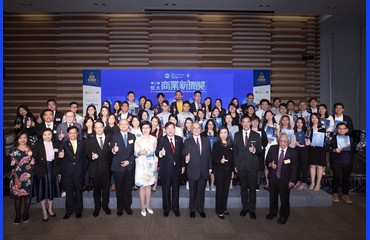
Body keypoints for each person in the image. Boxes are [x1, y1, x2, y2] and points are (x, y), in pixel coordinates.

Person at [265, 133, 298, 224]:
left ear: (288, 142)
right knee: (273, 197)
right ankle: (272, 212)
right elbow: (267, 160)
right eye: (281, 141)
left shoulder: (293, 152)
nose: (282, 143)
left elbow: (295, 168)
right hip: (273, 178)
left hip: (286, 180)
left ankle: (284, 215)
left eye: (284, 141)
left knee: (284, 199)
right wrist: (271, 164)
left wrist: (292, 181)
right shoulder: (273, 149)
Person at [233, 115, 262, 219]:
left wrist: (254, 150)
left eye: (247, 121)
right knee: (243, 189)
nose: (245, 123)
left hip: (253, 166)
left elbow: (260, 150)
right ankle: (245, 208)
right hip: (240, 166)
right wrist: (235, 165)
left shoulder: (256, 135)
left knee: (252, 189)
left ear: (250, 123)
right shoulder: (236, 135)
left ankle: (252, 210)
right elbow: (235, 152)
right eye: (243, 122)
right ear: (241, 123)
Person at [155, 122, 185, 217]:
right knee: (166, 189)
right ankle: (166, 208)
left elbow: (182, 154)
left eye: (172, 128)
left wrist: (183, 166)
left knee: (176, 189)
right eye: (168, 128)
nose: (170, 130)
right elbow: (156, 152)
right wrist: (160, 153)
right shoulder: (162, 139)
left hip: (177, 169)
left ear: (175, 129)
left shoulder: (179, 139)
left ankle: (175, 208)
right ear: (165, 130)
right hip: (165, 169)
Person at [183, 122, 212, 219]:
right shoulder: (187, 141)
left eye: (198, 128)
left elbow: (209, 156)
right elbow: (184, 153)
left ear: (201, 129)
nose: (196, 129)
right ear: (191, 129)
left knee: (201, 192)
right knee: (193, 192)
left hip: (204, 170)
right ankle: (192, 209)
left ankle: (201, 209)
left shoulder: (206, 140)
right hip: (192, 170)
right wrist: (186, 158)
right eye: (194, 128)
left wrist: (210, 168)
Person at [84, 121, 113, 217]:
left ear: (103, 128)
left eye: (101, 127)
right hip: (95, 169)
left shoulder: (110, 138)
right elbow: (86, 154)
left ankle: (105, 206)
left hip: (107, 169)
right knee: (96, 190)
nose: (99, 129)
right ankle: (97, 207)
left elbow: (113, 153)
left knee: (106, 190)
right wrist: (91, 156)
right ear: (94, 129)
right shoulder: (89, 140)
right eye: (97, 127)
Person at [32, 128, 61, 222]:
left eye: (49, 134)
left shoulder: (56, 144)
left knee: (51, 190)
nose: (47, 136)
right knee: (42, 191)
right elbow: (34, 158)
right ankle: (44, 211)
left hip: (53, 169)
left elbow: (58, 159)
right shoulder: (38, 145)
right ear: (42, 135)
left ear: (52, 135)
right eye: (45, 134)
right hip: (42, 170)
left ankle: (50, 209)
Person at [58, 126, 86, 220]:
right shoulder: (64, 144)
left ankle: (78, 211)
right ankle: (69, 211)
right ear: (68, 134)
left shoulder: (82, 143)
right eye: (71, 133)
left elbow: (85, 158)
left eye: (75, 133)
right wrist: (60, 155)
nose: (73, 135)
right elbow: (59, 155)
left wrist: (83, 170)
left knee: (78, 191)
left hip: (79, 172)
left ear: (77, 134)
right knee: (69, 192)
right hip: (68, 172)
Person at [111, 119, 136, 216]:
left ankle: (128, 207)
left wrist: (129, 161)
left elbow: (135, 152)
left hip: (129, 166)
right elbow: (111, 149)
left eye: (126, 124)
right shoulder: (114, 136)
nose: (124, 125)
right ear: (118, 125)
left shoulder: (132, 136)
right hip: (118, 167)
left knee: (128, 189)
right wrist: (114, 149)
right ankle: (120, 208)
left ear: (129, 125)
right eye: (122, 124)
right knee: (119, 189)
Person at [9, 131, 35, 224]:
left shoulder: (31, 149)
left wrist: (32, 165)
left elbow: (34, 162)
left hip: (27, 175)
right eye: (20, 138)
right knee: (18, 197)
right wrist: (11, 165)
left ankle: (25, 214)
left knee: (27, 195)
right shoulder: (13, 150)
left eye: (24, 137)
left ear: (27, 139)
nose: (22, 140)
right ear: (18, 139)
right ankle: (17, 215)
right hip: (16, 175)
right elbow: (10, 164)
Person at [134, 121, 158, 216]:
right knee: (142, 186)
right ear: (141, 129)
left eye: (147, 127)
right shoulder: (138, 139)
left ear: (150, 128)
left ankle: (148, 205)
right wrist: (140, 153)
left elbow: (156, 153)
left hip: (150, 164)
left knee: (148, 185)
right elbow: (135, 153)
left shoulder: (154, 139)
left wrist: (156, 163)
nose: (145, 129)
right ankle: (142, 207)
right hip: (141, 164)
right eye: (143, 128)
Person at [329, 122, 355, 204]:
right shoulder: (333, 138)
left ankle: (345, 194)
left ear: (347, 130)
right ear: (337, 129)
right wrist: (334, 150)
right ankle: (335, 193)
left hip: (347, 161)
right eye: (340, 128)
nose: (341, 130)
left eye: (343, 128)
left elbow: (354, 150)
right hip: (336, 161)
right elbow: (327, 148)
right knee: (336, 177)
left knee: (346, 178)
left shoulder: (350, 139)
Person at [212, 126, 234, 219]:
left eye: (225, 132)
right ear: (219, 134)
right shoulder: (216, 144)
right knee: (220, 191)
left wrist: (232, 170)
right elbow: (213, 158)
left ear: (228, 134)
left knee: (226, 191)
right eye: (221, 132)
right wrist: (219, 160)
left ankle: (224, 208)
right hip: (219, 171)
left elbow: (233, 158)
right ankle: (219, 210)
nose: (223, 134)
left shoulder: (231, 144)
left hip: (228, 171)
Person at [307, 113, 326, 191]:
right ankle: (312, 182)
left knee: (319, 166)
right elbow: (306, 138)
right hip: (311, 149)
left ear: (319, 119)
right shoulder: (309, 128)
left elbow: (325, 140)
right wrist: (309, 142)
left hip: (320, 149)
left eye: (316, 118)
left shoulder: (323, 128)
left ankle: (318, 183)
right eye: (312, 118)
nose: (314, 119)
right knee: (312, 166)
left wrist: (317, 143)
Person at [201, 119, 217, 191]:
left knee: (213, 170)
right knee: (206, 169)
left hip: (214, 153)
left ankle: (213, 184)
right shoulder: (203, 133)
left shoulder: (217, 133)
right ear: (207, 125)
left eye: (212, 124)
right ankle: (207, 184)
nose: (210, 126)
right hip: (205, 154)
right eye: (209, 124)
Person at [293, 117, 309, 190]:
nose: (299, 124)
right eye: (297, 122)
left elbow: (309, 141)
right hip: (296, 149)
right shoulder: (293, 131)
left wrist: (305, 143)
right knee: (297, 166)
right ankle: (298, 181)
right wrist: (294, 142)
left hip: (304, 149)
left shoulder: (306, 131)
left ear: (303, 124)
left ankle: (304, 183)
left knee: (304, 166)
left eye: (301, 122)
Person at [150, 116, 163, 192]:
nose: (154, 123)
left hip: (156, 151)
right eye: (153, 121)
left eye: (156, 121)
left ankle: (155, 185)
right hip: (148, 151)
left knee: (156, 168)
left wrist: (158, 133)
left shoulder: (160, 131)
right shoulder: (148, 129)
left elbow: (159, 141)